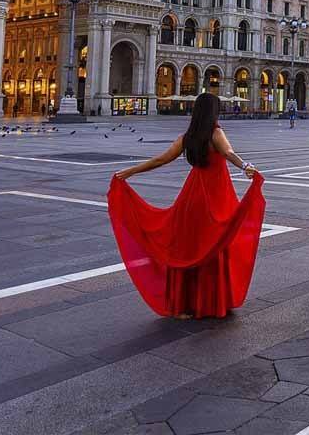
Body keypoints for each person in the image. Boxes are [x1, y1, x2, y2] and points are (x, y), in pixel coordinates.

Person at [107, 93, 265, 319]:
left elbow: (160, 160)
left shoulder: (187, 137)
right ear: (214, 111)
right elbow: (229, 153)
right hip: (216, 196)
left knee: (188, 246)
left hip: (192, 197)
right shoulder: (216, 133)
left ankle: (182, 305)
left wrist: (129, 171)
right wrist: (247, 167)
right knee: (214, 245)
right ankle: (211, 302)